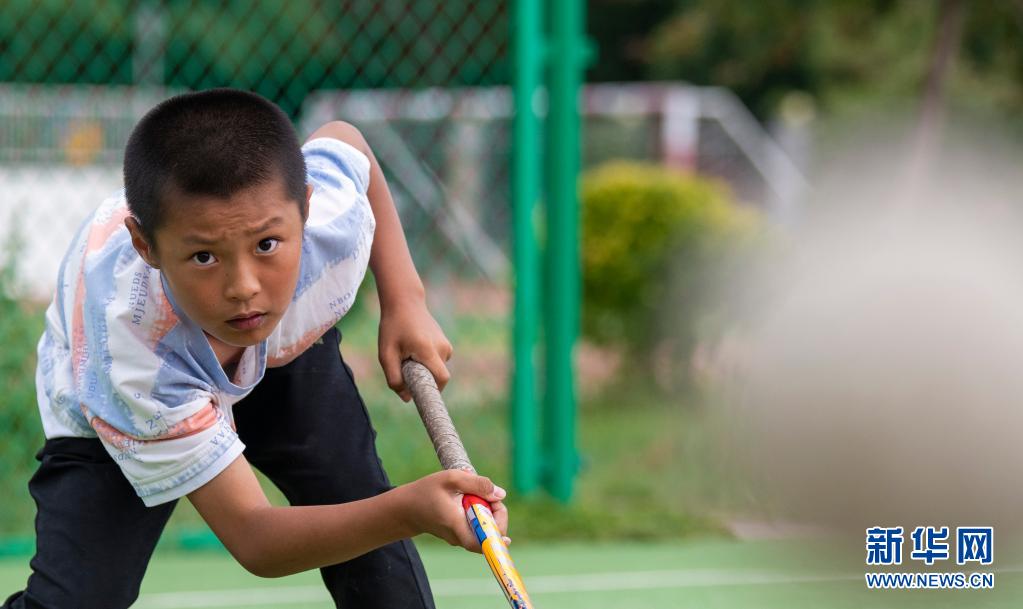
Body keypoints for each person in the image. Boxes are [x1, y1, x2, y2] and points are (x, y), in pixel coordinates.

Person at [2, 88, 508, 609]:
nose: (244, 287)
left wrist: (405, 302)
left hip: (279, 350)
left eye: (266, 245)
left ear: (305, 208)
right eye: (204, 257)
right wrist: (410, 510)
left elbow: (347, 140)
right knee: (82, 598)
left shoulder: (329, 229)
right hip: (132, 395)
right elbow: (255, 537)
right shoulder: (133, 363)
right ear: (145, 246)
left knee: (363, 529)